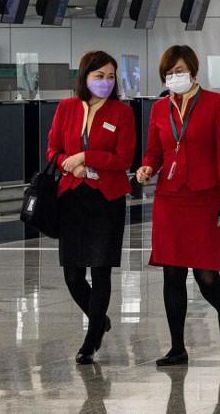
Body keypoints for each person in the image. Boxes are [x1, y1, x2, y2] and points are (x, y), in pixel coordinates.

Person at [135, 45, 220, 366]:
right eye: (169, 73)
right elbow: (155, 151)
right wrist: (147, 167)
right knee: (172, 273)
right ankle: (177, 347)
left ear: (193, 70)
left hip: (205, 197)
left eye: (179, 71)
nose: (174, 77)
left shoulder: (215, 104)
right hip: (170, 199)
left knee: (206, 274)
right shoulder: (159, 109)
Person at [47, 51, 136, 365]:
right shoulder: (66, 108)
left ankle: (91, 338)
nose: (106, 82)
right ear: (85, 77)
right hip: (72, 197)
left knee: (100, 270)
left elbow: (123, 159)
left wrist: (86, 156)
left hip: (106, 199)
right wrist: (69, 165)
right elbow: (53, 149)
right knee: (73, 275)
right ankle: (99, 319)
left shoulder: (122, 113)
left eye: (111, 77)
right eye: (100, 76)